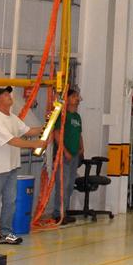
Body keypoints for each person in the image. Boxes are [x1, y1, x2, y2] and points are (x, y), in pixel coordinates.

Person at [0, 87, 46, 245]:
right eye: (4, 94)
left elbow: (28, 131)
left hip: (11, 166)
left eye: (8, 93)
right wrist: (35, 144)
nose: (9, 96)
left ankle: (6, 233)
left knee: (10, 201)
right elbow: (12, 140)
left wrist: (47, 127)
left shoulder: (13, 118)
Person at [49, 86, 83, 223]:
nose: (77, 99)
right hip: (63, 156)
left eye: (77, 96)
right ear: (67, 99)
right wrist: (65, 151)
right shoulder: (62, 116)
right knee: (62, 184)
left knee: (69, 185)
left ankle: (65, 211)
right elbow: (57, 134)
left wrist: (82, 149)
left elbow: (79, 134)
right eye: (74, 96)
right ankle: (58, 213)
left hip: (74, 155)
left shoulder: (77, 117)